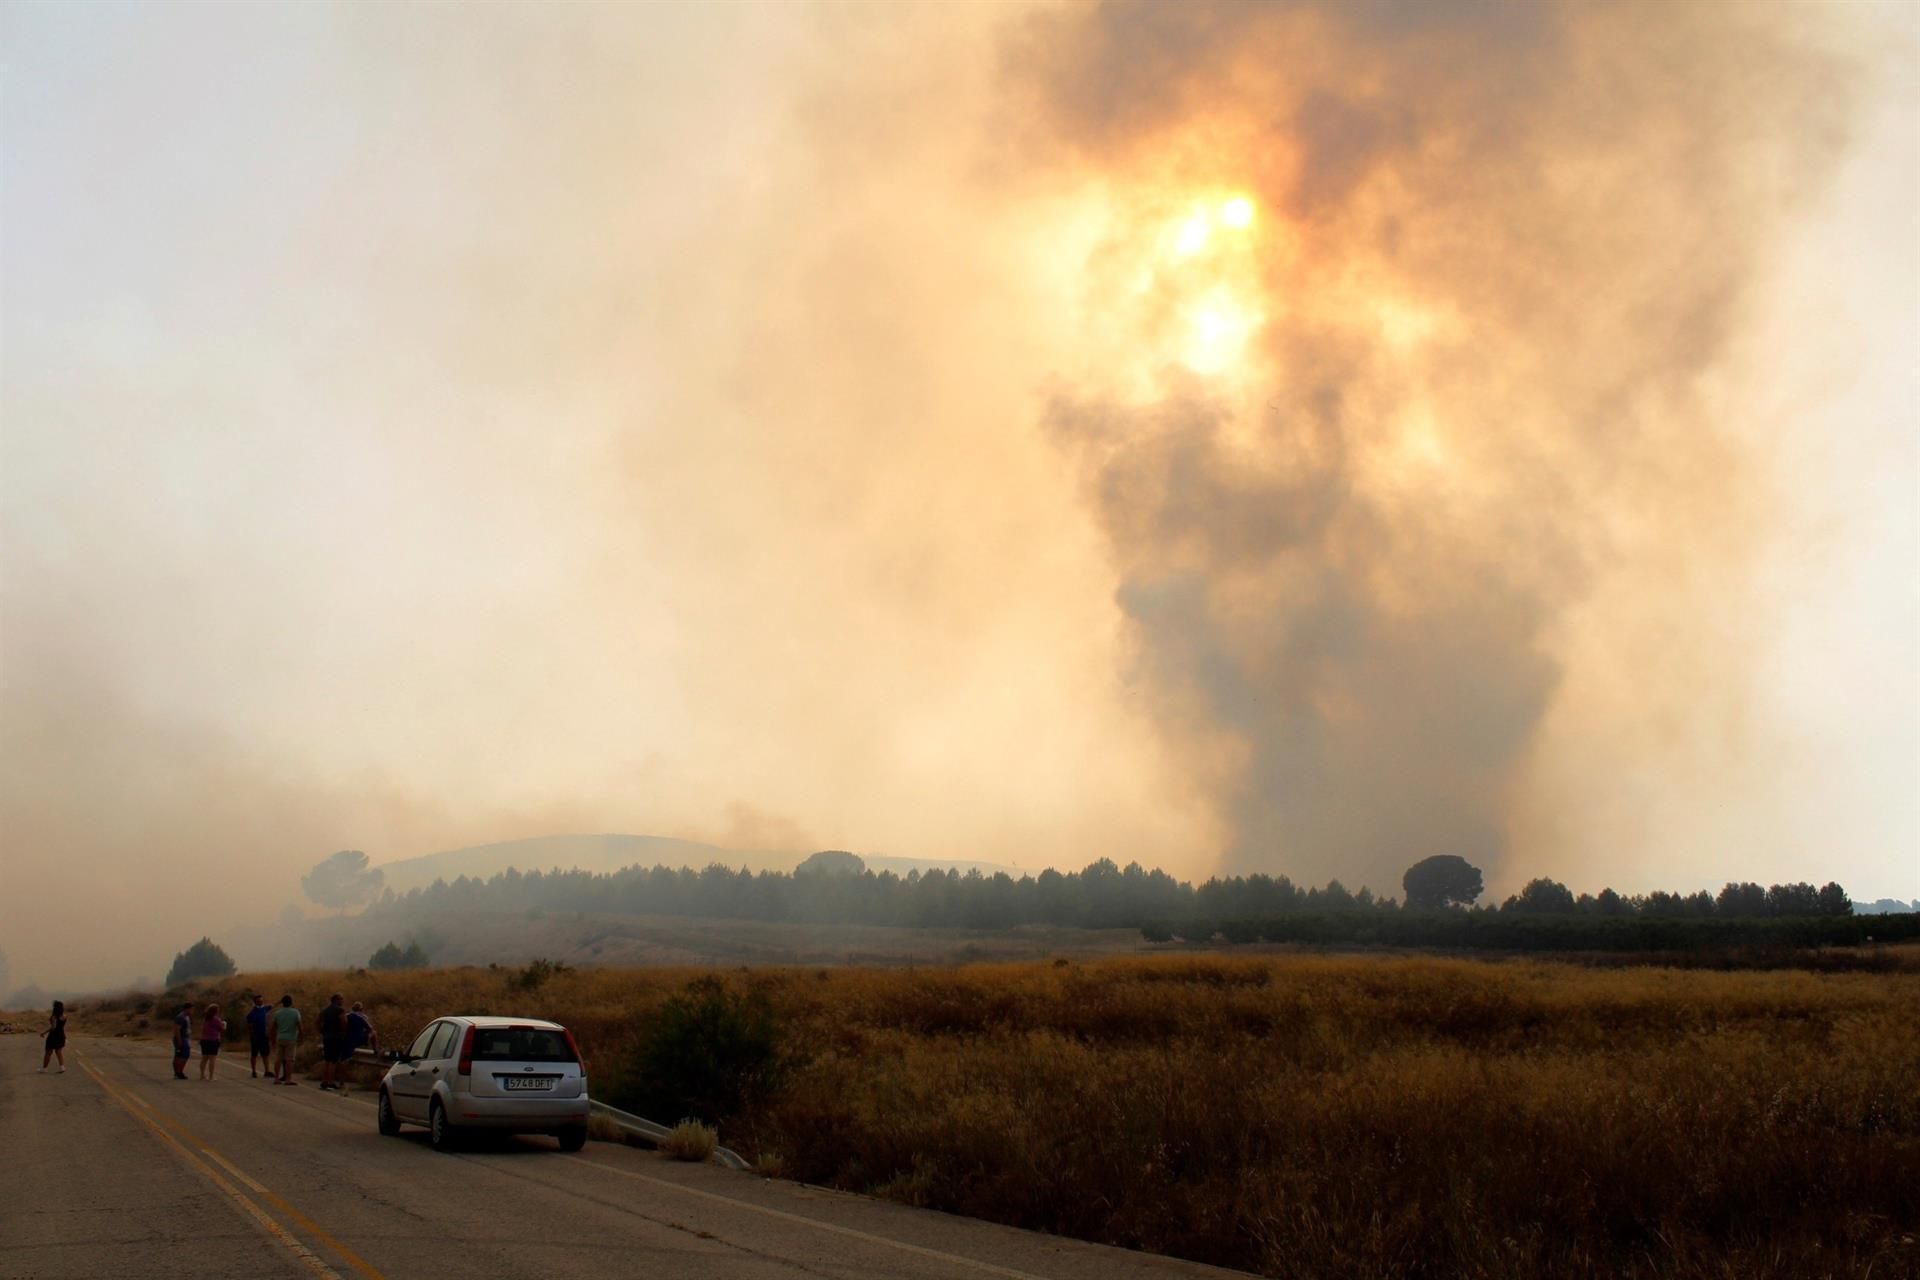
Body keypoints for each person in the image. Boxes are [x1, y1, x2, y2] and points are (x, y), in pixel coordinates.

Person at [342, 1001, 377, 1091]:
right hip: (358, 1039)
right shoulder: (362, 1017)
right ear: (361, 1009)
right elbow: (370, 1028)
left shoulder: (347, 1016)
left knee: (344, 1059)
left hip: (347, 1040)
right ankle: (375, 1048)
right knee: (374, 1033)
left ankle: (342, 1080)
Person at [268, 994, 301, 1085]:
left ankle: (276, 1078)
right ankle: (288, 1079)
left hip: (280, 1038)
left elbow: (273, 1027)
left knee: (278, 1059)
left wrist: (272, 1039)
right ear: (291, 1002)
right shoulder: (295, 1012)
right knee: (289, 1060)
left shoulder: (277, 1013)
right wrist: (301, 1037)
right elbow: (299, 1026)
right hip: (291, 1038)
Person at [318, 993, 348, 1091]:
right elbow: (344, 1022)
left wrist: (322, 1031)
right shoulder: (340, 1010)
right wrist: (343, 1032)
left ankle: (324, 1081)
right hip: (336, 1037)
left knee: (326, 1060)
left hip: (326, 1037)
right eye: (341, 999)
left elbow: (317, 1022)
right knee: (333, 1061)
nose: (342, 1001)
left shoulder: (324, 1011)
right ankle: (331, 1082)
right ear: (336, 1000)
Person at [244, 994, 272, 1078]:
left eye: (262, 1001)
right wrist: (252, 1035)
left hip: (264, 1035)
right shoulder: (251, 1014)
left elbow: (272, 1006)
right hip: (256, 1036)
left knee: (265, 1054)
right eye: (259, 1001)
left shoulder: (264, 1009)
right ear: (255, 1002)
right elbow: (250, 1027)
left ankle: (267, 1071)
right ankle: (254, 1071)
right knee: (254, 1054)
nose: (261, 1002)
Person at [198, 1003, 226, 1081]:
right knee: (212, 1059)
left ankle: (202, 1075)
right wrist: (224, 1025)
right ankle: (211, 1076)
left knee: (204, 1058)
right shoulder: (216, 1019)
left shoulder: (206, 1019)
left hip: (204, 1040)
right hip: (213, 1040)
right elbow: (221, 1029)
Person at [39, 1000, 66, 1073]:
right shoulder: (64, 1016)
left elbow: (53, 1027)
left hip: (53, 1036)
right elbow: (61, 1026)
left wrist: (44, 1032)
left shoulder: (54, 1016)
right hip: (61, 1035)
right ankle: (62, 1067)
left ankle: (44, 1068)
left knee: (48, 1052)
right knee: (59, 1052)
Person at [171, 1002, 193, 1079]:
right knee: (183, 1056)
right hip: (182, 1038)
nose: (192, 1011)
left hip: (185, 1038)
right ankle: (179, 1072)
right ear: (188, 1009)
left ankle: (177, 1073)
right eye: (191, 1009)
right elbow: (177, 1029)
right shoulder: (181, 1017)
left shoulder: (186, 1017)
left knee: (179, 1055)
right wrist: (179, 1040)